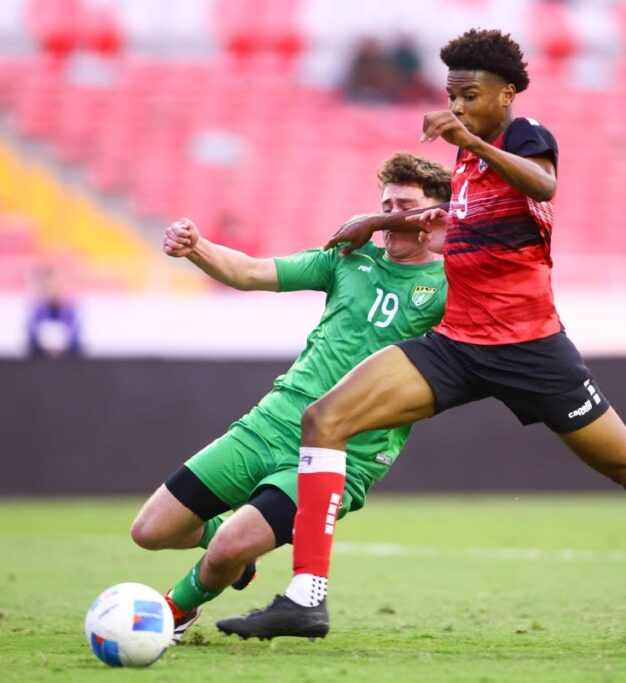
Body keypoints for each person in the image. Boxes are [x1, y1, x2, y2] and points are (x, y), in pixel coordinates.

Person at [217, 29, 626, 643]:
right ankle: (306, 599)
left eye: (470, 94)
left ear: (507, 92)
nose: (458, 106)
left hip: (531, 350)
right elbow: (450, 219)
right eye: (452, 95)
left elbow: (543, 185)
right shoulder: (467, 158)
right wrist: (377, 219)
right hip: (458, 345)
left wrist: (470, 141)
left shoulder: (524, 137)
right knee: (325, 420)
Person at [129, 152, 451, 642]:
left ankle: (171, 611)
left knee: (226, 550)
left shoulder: (451, 285)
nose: (387, 215)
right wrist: (197, 248)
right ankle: (234, 558)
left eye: (402, 205)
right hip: (270, 423)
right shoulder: (348, 258)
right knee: (150, 532)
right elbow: (250, 272)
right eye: (384, 203)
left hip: (346, 450)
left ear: (435, 214)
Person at [26, 266, 82, 359]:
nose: (53, 289)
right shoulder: (37, 310)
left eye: (56, 286)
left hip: (68, 359)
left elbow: (75, 336)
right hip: (41, 359)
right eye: (49, 286)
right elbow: (32, 337)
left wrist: (62, 345)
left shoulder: (71, 309)